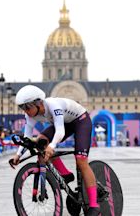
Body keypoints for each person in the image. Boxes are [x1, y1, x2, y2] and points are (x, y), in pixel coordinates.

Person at [9, 85, 100, 215]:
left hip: (81, 121)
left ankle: (94, 205)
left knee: (81, 161)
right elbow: (27, 138)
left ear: (38, 103)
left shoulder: (53, 105)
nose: (26, 111)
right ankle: (65, 174)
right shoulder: (29, 115)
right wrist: (18, 155)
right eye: (22, 108)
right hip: (66, 123)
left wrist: (52, 146)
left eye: (27, 107)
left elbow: (60, 131)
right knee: (40, 141)